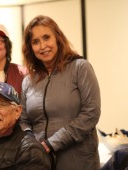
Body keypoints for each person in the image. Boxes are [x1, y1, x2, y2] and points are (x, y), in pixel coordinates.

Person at [19, 15, 101, 170]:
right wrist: (31, 141)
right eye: (35, 42)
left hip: (78, 161)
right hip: (40, 162)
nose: (43, 46)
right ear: (30, 47)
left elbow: (91, 114)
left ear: (57, 38)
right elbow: (23, 120)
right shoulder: (28, 81)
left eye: (46, 37)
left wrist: (52, 143)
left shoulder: (80, 68)